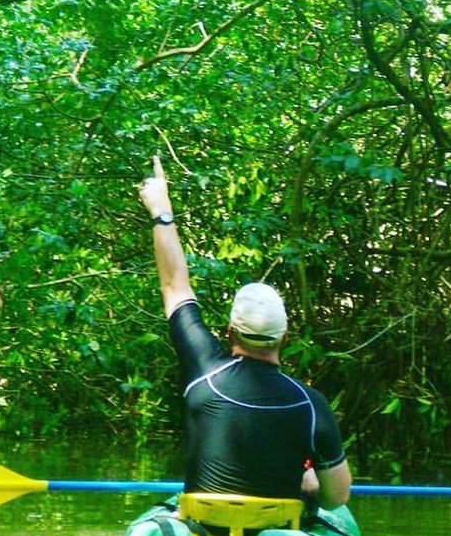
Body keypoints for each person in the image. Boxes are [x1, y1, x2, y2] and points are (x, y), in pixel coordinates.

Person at [138, 154, 352, 510]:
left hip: (202, 530)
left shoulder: (203, 370)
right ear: (286, 338)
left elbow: (174, 285)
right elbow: (337, 498)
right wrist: (311, 483)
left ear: (229, 332)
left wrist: (161, 208)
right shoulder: (310, 404)